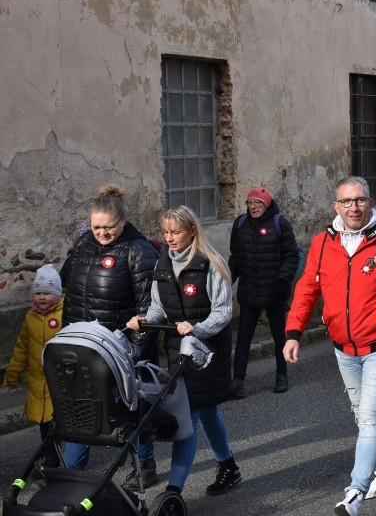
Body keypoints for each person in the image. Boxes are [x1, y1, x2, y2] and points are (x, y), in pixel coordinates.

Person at [283, 176, 376, 516]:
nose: (354, 207)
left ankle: (355, 491)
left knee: (370, 418)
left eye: (360, 200)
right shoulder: (322, 243)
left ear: (370, 203)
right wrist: (293, 332)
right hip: (344, 348)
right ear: (336, 206)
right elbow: (306, 290)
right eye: (347, 202)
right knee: (363, 418)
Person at [127, 205, 241, 498]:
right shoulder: (162, 263)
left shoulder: (210, 263)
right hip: (179, 353)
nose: (169, 238)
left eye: (175, 232)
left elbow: (223, 312)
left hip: (208, 353)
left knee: (188, 416)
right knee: (207, 412)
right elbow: (157, 307)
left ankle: (174, 490)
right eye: (165, 232)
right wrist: (144, 321)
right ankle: (229, 466)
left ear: (192, 231)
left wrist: (196, 328)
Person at [61, 184, 159, 478]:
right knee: (81, 409)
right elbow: (72, 299)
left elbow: (149, 309)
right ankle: (71, 473)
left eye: (108, 227)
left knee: (132, 410)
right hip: (86, 348)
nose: (102, 233)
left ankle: (144, 465)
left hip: (123, 350)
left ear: (123, 220)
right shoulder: (83, 247)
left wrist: (132, 350)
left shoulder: (138, 251)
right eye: (96, 227)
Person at [228, 186, 301, 398]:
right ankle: (238, 381)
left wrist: (282, 279)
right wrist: (227, 279)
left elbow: (291, 256)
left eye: (258, 203)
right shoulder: (240, 224)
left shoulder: (280, 224)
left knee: (279, 336)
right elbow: (236, 256)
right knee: (243, 337)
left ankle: (281, 376)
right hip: (249, 291)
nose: (253, 207)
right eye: (250, 203)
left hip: (274, 292)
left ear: (266, 204)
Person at [3, 264, 64, 467]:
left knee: (60, 422)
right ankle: (47, 455)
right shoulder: (31, 317)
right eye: (38, 293)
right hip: (38, 382)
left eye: (47, 293)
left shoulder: (65, 315)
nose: (42, 298)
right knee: (44, 422)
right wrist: (12, 377)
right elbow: (22, 348)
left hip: (60, 380)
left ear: (57, 293)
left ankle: (60, 458)